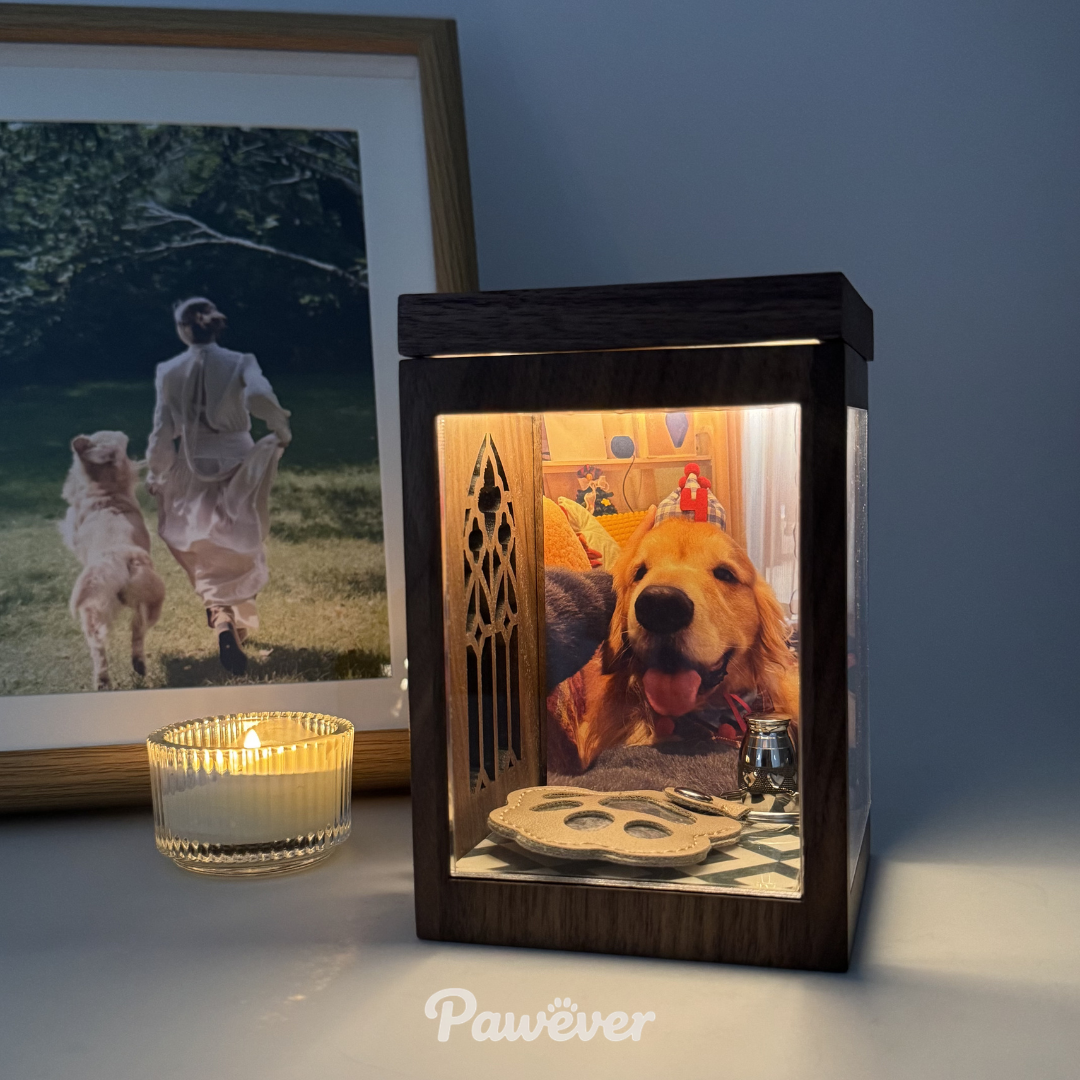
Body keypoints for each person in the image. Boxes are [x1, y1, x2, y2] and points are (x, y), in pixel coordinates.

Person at [146, 298, 292, 676]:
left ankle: (225, 619)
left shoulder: (169, 370)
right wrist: (278, 424)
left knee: (206, 548)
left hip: (192, 463)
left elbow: (163, 429)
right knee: (243, 540)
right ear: (216, 325)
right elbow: (258, 396)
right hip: (237, 458)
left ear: (183, 329)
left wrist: (158, 472)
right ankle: (234, 623)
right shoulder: (240, 361)